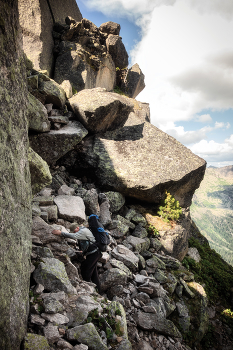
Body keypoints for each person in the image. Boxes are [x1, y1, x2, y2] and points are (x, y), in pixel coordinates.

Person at [52, 223, 102, 292]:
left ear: (77, 228)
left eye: (74, 230)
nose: (74, 232)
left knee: (86, 270)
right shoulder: (83, 230)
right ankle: (98, 290)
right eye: (73, 231)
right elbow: (86, 243)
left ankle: (88, 289)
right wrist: (83, 251)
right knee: (94, 273)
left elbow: (73, 236)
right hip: (94, 253)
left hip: (94, 253)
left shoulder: (83, 231)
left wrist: (60, 233)